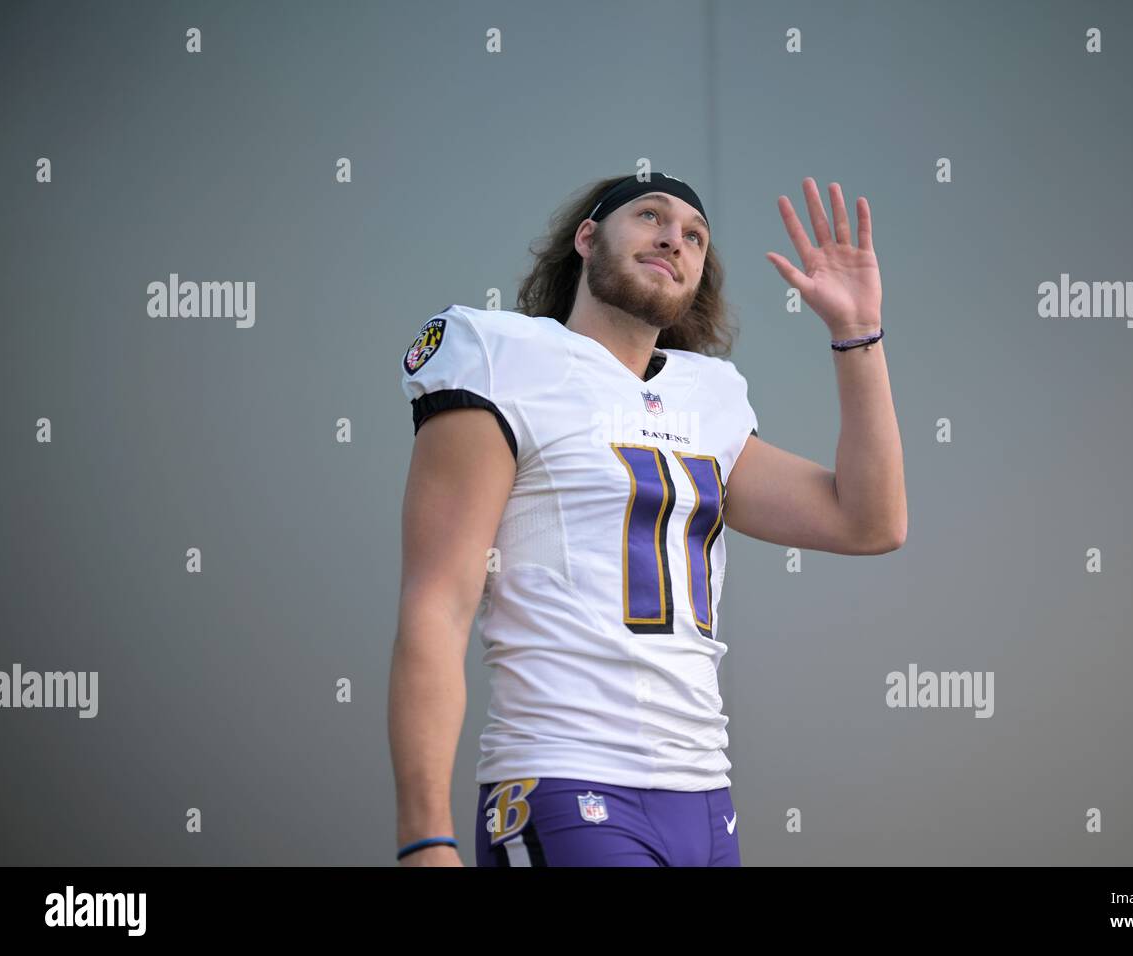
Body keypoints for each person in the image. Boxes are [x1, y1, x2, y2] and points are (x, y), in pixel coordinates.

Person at [388, 173, 906, 866]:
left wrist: (855, 333)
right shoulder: (502, 355)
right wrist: (425, 837)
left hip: (706, 795)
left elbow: (868, 522)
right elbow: (437, 604)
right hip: (566, 779)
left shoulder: (708, 398)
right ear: (586, 237)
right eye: (650, 216)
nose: (675, 238)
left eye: (696, 234)